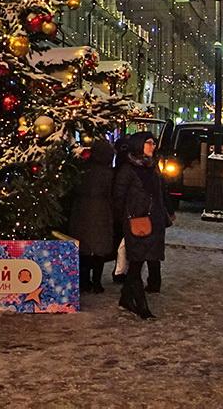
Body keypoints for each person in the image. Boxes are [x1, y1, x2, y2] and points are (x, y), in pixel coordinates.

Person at [113, 131, 173, 319]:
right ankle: (142, 307)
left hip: (153, 222)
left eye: (153, 143)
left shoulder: (152, 168)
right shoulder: (128, 170)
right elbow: (118, 198)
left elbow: (160, 194)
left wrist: (164, 214)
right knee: (137, 262)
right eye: (149, 143)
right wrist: (128, 217)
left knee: (137, 263)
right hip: (136, 223)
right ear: (139, 145)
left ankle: (125, 298)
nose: (153, 146)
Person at [68, 137, 118, 294]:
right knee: (99, 248)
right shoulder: (108, 173)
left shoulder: (83, 169)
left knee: (83, 247)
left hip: (81, 209)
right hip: (101, 210)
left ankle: (84, 280)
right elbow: (111, 194)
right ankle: (97, 282)